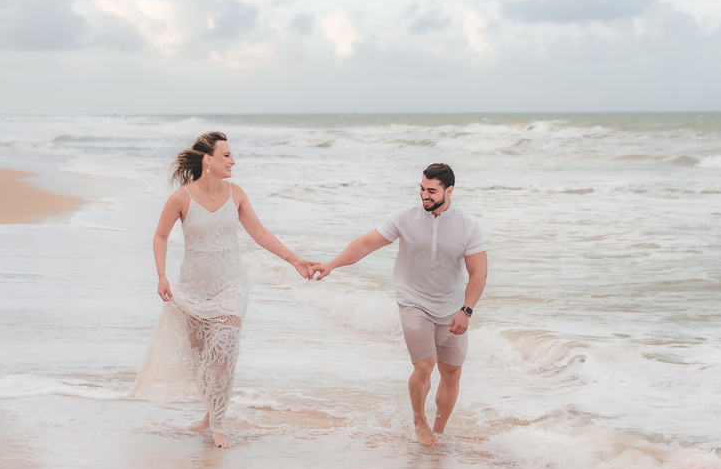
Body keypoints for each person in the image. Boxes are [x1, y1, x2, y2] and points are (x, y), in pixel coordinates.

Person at [130, 131, 316, 448]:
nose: (233, 161)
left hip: (232, 285)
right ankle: (210, 409)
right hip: (192, 289)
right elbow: (160, 236)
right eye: (226, 155)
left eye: (231, 155)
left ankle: (217, 423)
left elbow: (259, 232)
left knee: (224, 354)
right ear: (208, 160)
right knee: (202, 361)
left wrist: (294, 259)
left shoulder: (236, 194)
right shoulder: (181, 198)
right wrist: (161, 276)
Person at [312, 163, 487, 446]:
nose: (424, 195)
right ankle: (420, 421)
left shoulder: (468, 226)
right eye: (421, 188)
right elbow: (367, 243)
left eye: (431, 190)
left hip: (452, 306)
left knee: (452, 372)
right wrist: (332, 264)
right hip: (413, 302)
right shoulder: (404, 217)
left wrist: (466, 310)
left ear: (449, 190)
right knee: (424, 366)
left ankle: (439, 430)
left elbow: (478, 272)